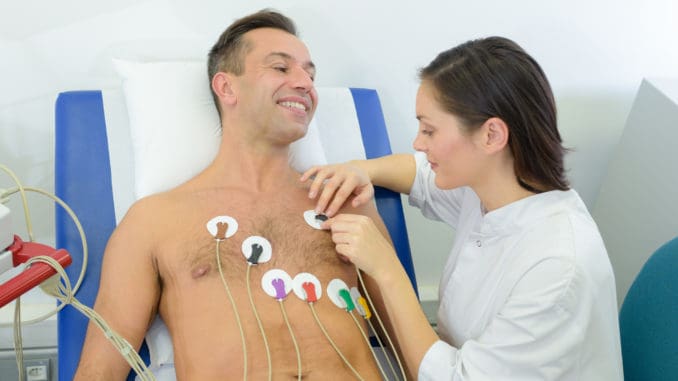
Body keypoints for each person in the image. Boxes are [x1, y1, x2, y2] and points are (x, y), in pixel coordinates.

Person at [74, 9, 391, 380]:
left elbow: (413, 342)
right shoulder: (153, 221)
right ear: (226, 87)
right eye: (281, 68)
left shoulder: (344, 204)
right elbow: (100, 370)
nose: (305, 82)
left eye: (310, 73)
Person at [302, 36, 624, 380]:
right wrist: (360, 169)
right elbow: (419, 173)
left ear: (491, 136)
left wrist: (386, 268)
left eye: (429, 130)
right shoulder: (498, 187)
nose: (418, 143)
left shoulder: (557, 267)